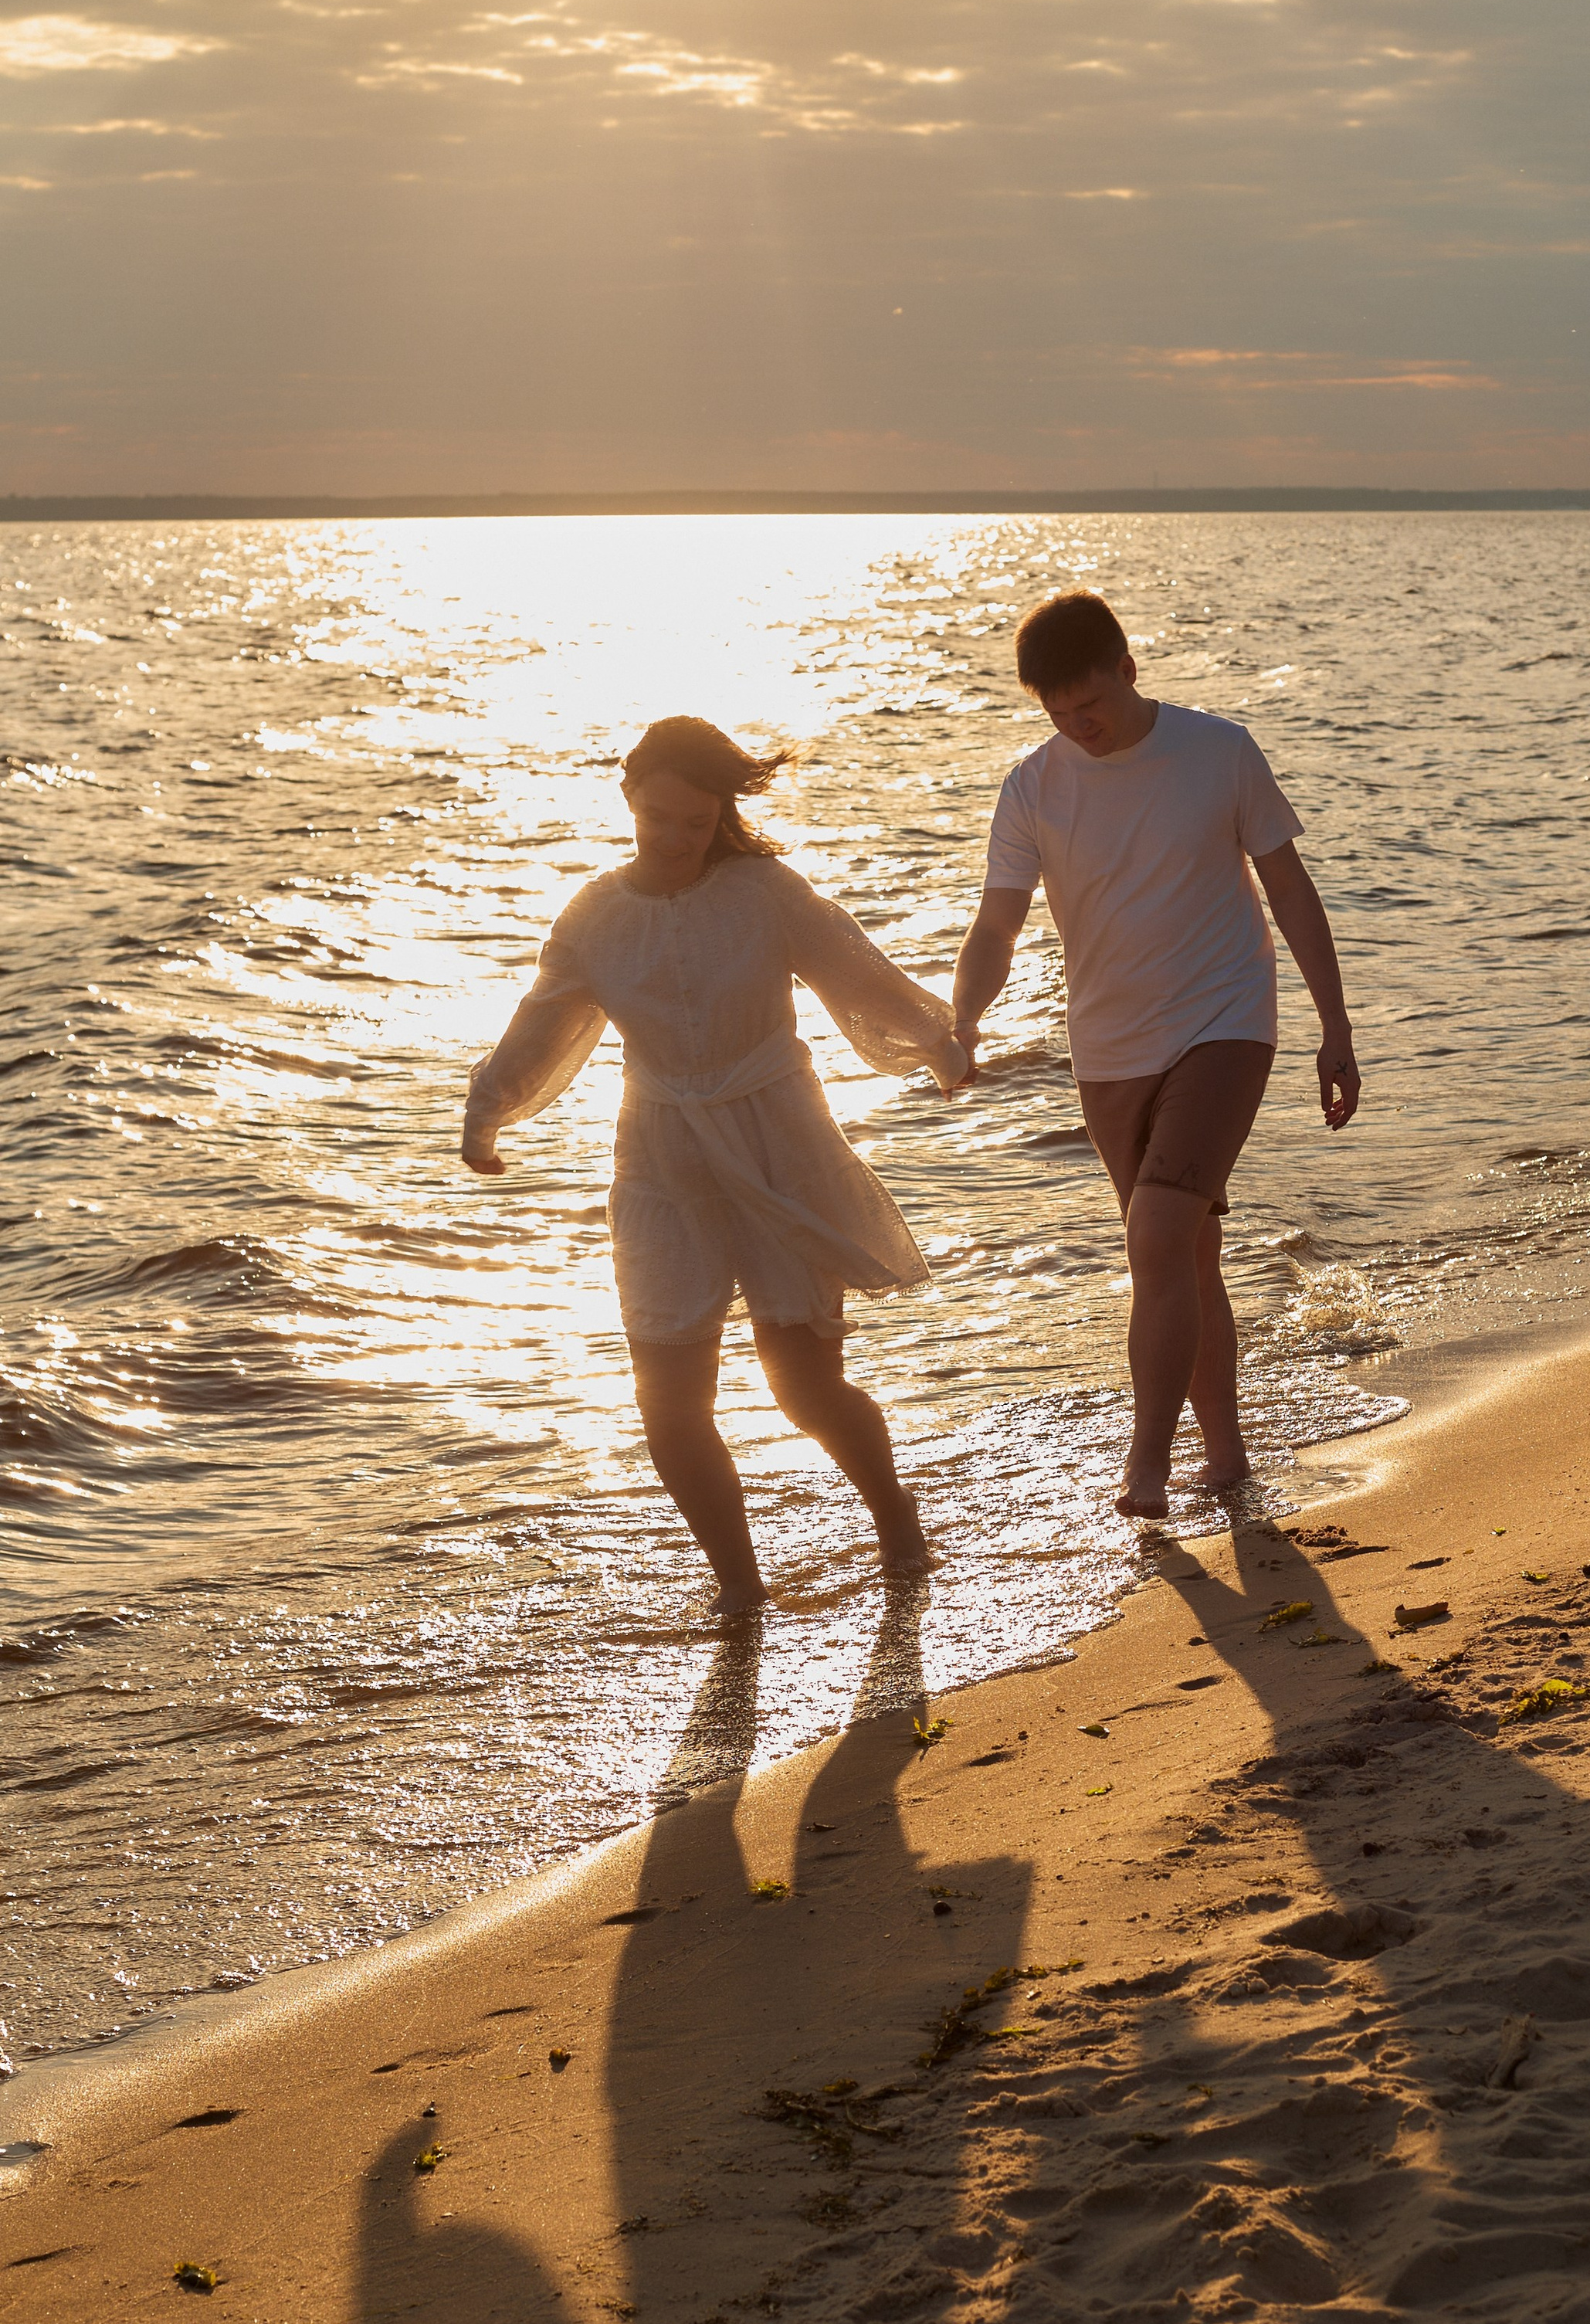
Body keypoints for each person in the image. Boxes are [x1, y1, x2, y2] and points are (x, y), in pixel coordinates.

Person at [461, 717, 968, 1619]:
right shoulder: (594, 917)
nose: (674, 837)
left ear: (718, 817)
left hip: (780, 1146)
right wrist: (486, 1114)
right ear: (629, 800)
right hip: (662, 1162)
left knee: (805, 1387)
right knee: (667, 1399)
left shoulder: (764, 893)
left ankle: (897, 1526)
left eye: (694, 823)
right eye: (659, 816)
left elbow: (858, 972)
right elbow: (541, 1024)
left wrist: (936, 1042)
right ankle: (739, 1585)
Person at [951, 590, 1359, 1520]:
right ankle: (1225, 1453)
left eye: (1087, 706)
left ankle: (1145, 1465)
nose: (1076, 727)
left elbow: (1290, 891)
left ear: (1128, 671)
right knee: (1183, 1255)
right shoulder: (1032, 786)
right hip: (1108, 1045)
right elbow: (996, 923)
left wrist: (1334, 1028)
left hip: (1225, 1021)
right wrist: (966, 1019)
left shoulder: (1218, 752)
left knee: (1159, 1233)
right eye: (1056, 715)